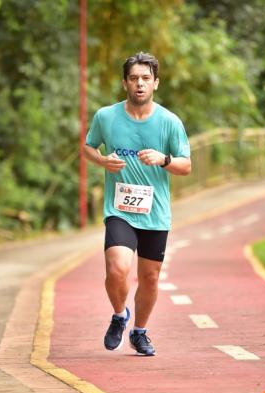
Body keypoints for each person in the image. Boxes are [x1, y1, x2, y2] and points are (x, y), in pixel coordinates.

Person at [84, 52, 191, 356]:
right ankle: (120, 315)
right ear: (125, 83)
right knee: (117, 267)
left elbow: (186, 166)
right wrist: (103, 160)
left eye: (146, 78)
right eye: (134, 78)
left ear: (156, 83)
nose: (139, 84)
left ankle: (139, 332)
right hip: (119, 211)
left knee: (149, 277)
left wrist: (164, 159)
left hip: (155, 212)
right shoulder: (106, 116)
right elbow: (88, 147)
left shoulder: (169, 122)